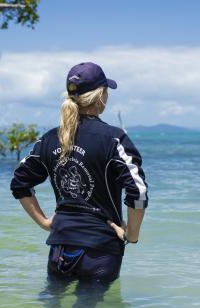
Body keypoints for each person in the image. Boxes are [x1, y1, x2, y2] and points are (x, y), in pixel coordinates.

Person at [10, 62, 148, 283]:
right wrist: (132, 235)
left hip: (59, 248)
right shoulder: (114, 139)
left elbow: (19, 183)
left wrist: (45, 223)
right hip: (100, 251)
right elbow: (138, 192)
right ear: (101, 96)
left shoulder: (49, 139)